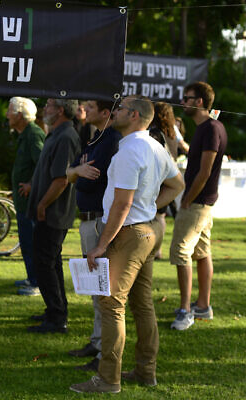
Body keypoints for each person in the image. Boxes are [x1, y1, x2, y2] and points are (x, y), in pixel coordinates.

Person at [70, 95, 184, 394]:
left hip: (129, 234)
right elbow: (176, 185)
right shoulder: (155, 147)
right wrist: (149, 207)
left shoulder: (128, 152)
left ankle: (108, 379)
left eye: (119, 109)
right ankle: (146, 372)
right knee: (142, 304)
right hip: (146, 231)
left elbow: (122, 204)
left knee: (112, 304)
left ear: (133, 115)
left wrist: (99, 245)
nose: (114, 113)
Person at [66, 100, 121, 371]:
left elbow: (92, 180)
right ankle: (96, 341)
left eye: (89, 106)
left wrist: (80, 174)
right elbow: (71, 173)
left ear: (104, 112)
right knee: (93, 286)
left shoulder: (111, 139)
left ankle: (103, 351)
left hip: (99, 220)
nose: (83, 110)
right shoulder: (94, 138)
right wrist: (78, 170)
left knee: (102, 287)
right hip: (87, 220)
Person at [169, 81, 227, 331]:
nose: (183, 102)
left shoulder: (211, 129)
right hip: (203, 202)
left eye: (187, 98)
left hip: (198, 203)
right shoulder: (206, 128)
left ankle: (186, 311)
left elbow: (204, 172)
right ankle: (203, 305)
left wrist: (188, 199)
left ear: (199, 102)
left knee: (181, 252)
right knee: (201, 252)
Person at [26, 98, 80, 334]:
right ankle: (55, 309)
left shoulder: (66, 136)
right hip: (48, 209)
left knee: (45, 263)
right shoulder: (56, 134)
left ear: (60, 110)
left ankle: (57, 318)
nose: (43, 109)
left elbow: (61, 179)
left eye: (48, 105)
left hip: (53, 212)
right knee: (49, 262)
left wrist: (43, 204)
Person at [7, 97, 45, 296]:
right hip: (23, 202)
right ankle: (32, 277)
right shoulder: (24, 134)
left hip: (31, 202)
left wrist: (31, 184)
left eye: (10, 111)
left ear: (20, 115)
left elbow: (42, 163)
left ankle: (37, 282)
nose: (7, 115)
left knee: (31, 242)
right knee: (26, 241)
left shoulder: (33, 134)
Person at [149, 102, 179, 259]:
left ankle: (156, 250)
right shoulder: (172, 133)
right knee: (161, 216)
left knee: (156, 215)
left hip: (159, 178)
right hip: (171, 177)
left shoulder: (156, 133)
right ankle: (158, 250)